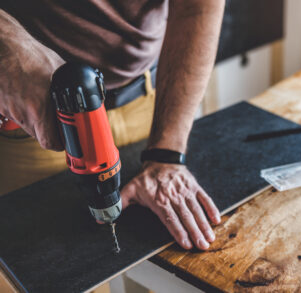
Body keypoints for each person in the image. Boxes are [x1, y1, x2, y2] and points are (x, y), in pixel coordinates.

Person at [0, 0, 225, 251]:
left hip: (151, 100)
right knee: (43, 265)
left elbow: (197, 7)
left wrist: (167, 153)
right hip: (30, 115)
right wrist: (7, 42)